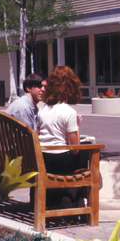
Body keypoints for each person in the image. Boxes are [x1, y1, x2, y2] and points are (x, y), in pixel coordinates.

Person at [38, 66, 88, 205]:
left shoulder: (43, 109)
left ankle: (69, 194)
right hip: (60, 162)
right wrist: (77, 126)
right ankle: (76, 193)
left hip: (44, 159)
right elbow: (75, 149)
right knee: (89, 151)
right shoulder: (68, 112)